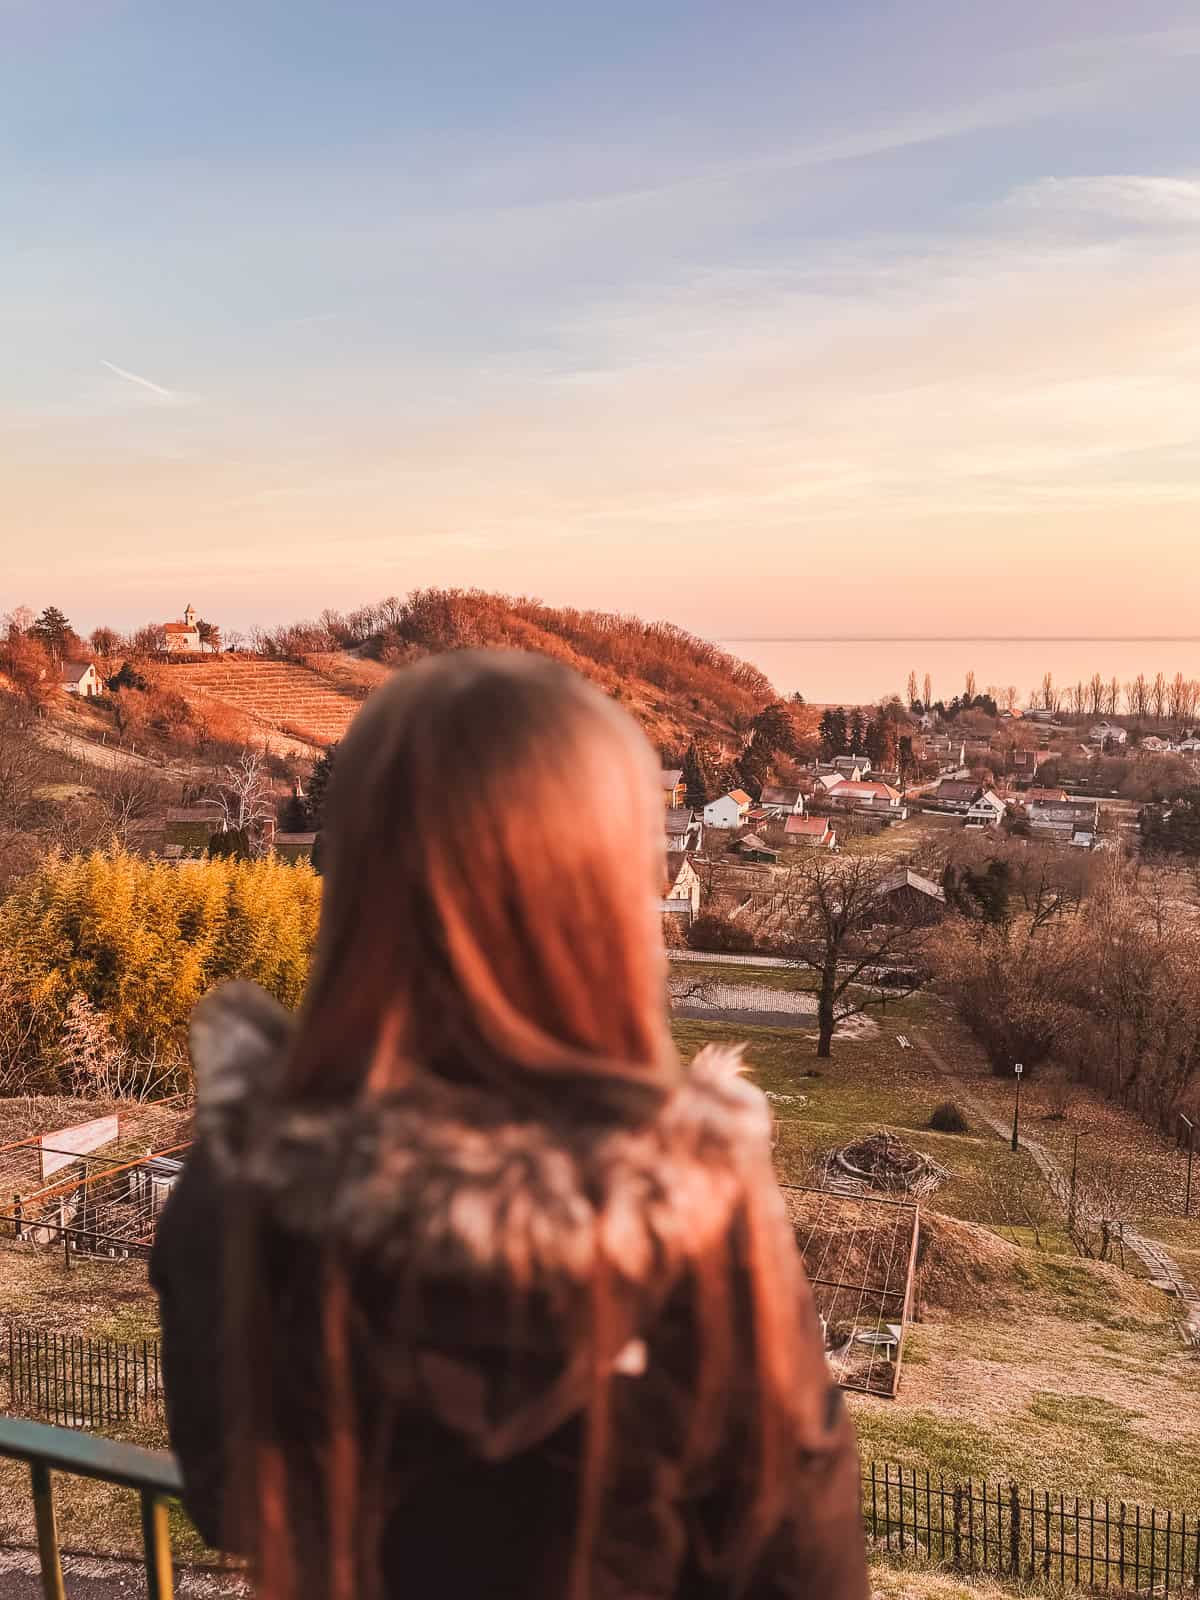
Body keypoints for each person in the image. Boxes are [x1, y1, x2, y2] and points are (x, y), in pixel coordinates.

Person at [150, 649, 867, 1600]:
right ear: (610, 898)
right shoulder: (698, 1218)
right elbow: (801, 1567)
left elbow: (228, 1499)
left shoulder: (241, 1188)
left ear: (357, 877)